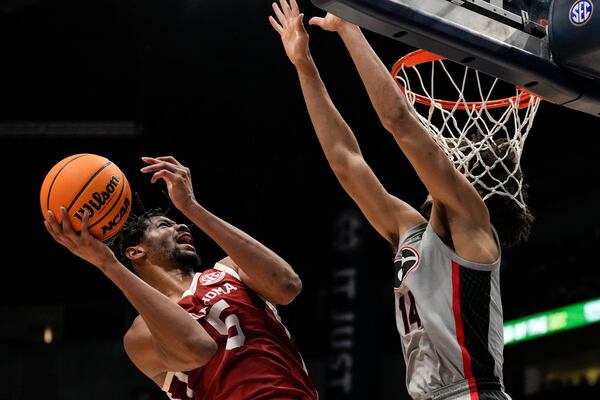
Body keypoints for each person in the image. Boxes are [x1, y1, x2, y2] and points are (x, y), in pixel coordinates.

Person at [270, 1, 533, 399]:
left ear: (471, 181)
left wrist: (349, 29)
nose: (446, 159)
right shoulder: (410, 230)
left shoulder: (471, 219)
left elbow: (399, 120)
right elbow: (347, 163)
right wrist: (304, 65)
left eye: (456, 161)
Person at [43, 155, 319, 400]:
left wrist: (192, 207)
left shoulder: (230, 270)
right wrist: (107, 263)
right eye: (165, 225)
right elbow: (198, 348)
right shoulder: (141, 333)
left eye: (179, 221)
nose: (181, 225)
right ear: (135, 251)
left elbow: (287, 285)